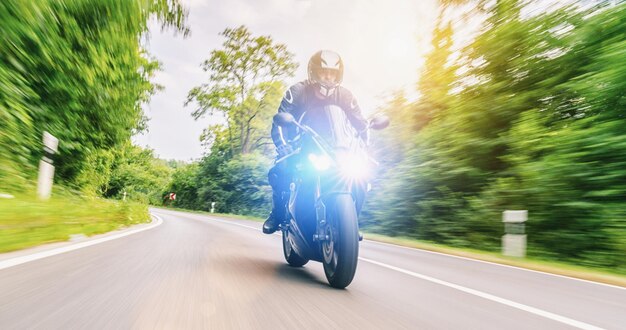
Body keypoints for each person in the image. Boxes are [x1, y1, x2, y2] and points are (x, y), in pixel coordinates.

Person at [263, 50, 368, 234]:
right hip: (301, 144)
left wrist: (365, 148)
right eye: (324, 72)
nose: (328, 78)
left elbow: (361, 125)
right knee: (280, 170)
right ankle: (278, 213)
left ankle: (351, 223)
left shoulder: (345, 96)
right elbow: (279, 121)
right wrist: (283, 146)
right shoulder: (297, 92)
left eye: (332, 74)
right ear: (314, 72)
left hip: (336, 148)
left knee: (359, 176)